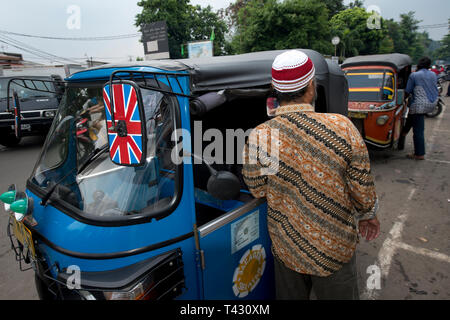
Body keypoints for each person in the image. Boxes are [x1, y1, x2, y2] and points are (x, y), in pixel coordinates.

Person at [242, 50, 380, 300]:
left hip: (288, 247)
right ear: (310, 86)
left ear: (275, 88)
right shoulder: (342, 126)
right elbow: (361, 185)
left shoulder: (261, 136)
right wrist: (368, 214)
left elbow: (257, 188)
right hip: (334, 248)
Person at [398, 57, 438, 160]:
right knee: (410, 121)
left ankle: (419, 154)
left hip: (419, 105)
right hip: (432, 103)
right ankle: (402, 138)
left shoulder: (414, 75)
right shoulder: (433, 74)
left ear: (419, 65)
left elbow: (408, 91)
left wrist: (400, 101)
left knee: (418, 130)